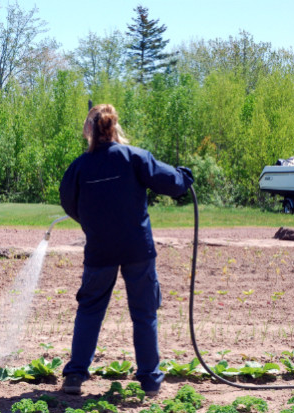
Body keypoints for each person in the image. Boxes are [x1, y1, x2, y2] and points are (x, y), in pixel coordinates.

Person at [59, 104, 194, 396]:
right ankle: (149, 380)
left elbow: (69, 204)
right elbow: (172, 183)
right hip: (137, 249)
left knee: (90, 310)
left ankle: (75, 376)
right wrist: (184, 177)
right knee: (144, 313)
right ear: (115, 128)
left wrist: (92, 223)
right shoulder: (135, 158)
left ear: (89, 131)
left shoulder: (79, 167)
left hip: (99, 251)